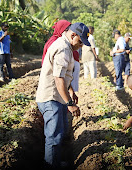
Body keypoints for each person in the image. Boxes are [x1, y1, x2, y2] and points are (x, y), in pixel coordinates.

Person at [36, 22, 90, 168]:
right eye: (80, 42)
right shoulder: (62, 49)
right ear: (73, 35)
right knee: (54, 137)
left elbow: (65, 75)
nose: (81, 45)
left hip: (56, 97)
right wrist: (70, 104)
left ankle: (56, 161)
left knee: (59, 133)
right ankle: (51, 165)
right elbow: (58, 78)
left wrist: (71, 91)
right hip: (50, 98)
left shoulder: (66, 46)